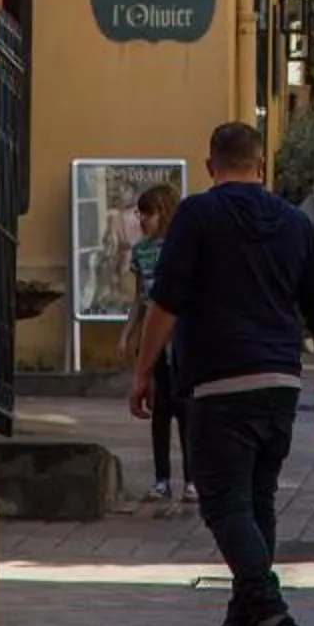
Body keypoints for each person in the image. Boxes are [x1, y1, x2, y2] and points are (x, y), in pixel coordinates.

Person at [127, 119, 314, 626]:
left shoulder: (197, 216)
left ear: (210, 166)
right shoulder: (296, 223)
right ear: (262, 166)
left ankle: (271, 615)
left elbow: (166, 303)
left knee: (225, 506)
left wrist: (143, 372)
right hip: (281, 382)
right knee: (258, 503)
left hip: (218, 382)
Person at [120, 182, 190, 501]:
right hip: (154, 339)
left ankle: (193, 479)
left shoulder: (182, 247)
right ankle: (162, 478)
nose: (143, 220)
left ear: (164, 212)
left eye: (148, 213)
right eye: (140, 213)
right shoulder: (141, 251)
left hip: (182, 338)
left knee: (186, 409)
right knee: (160, 409)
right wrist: (127, 334)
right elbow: (139, 298)